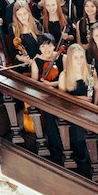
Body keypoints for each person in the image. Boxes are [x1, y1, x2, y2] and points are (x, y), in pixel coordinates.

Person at [58, 44, 98, 175]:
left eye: (82, 56)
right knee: (78, 137)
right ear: (70, 59)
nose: (80, 60)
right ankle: (82, 161)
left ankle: (92, 159)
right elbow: (62, 98)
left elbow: (96, 89)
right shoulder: (64, 75)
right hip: (73, 112)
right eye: (76, 57)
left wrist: (95, 105)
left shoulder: (90, 69)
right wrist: (79, 99)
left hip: (89, 110)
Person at [32, 33, 64, 162]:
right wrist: (44, 87)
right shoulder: (36, 61)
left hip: (62, 91)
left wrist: (52, 84)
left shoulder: (62, 57)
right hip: (46, 95)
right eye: (43, 46)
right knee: (48, 117)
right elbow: (34, 83)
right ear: (39, 48)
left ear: (54, 46)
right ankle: (56, 148)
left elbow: (68, 79)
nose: (46, 49)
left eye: (49, 45)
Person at [10, 1, 40, 70]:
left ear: (29, 13)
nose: (23, 17)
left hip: (38, 60)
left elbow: (42, 46)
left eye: (25, 13)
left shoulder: (36, 25)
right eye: (19, 14)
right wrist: (21, 58)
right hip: (22, 62)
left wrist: (35, 60)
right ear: (16, 16)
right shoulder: (12, 28)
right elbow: (12, 50)